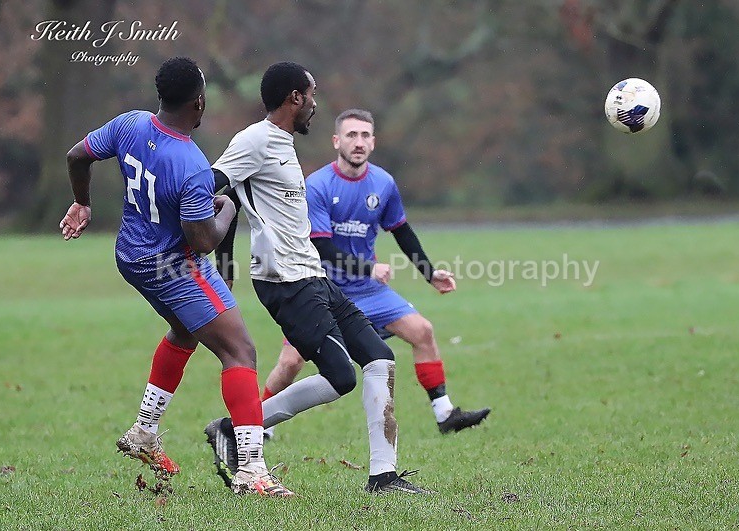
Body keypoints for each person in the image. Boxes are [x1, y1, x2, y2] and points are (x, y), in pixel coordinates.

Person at [59, 57, 292, 497]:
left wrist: (82, 203)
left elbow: (77, 155)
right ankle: (251, 471)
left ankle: (144, 430)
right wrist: (227, 210)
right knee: (240, 350)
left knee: (185, 331)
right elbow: (203, 240)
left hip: (130, 255)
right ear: (199, 103)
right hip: (173, 265)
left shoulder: (131, 123)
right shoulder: (191, 164)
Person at [204, 62, 427, 494]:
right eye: (312, 94)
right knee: (341, 377)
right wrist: (224, 265)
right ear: (294, 98)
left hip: (313, 275)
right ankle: (236, 428)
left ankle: (383, 476)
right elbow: (215, 189)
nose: (315, 103)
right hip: (284, 282)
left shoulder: (283, 143)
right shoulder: (255, 139)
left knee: (380, 358)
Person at [220, 109, 491, 439]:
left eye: (365, 136)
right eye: (351, 135)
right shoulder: (317, 186)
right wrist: (369, 267)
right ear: (337, 141)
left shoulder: (383, 183)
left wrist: (429, 272)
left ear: (373, 142)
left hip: (370, 291)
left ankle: (444, 413)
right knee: (290, 363)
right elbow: (321, 247)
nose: (358, 142)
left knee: (422, 331)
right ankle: (257, 423)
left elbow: (401, 230)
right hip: (324, 291)